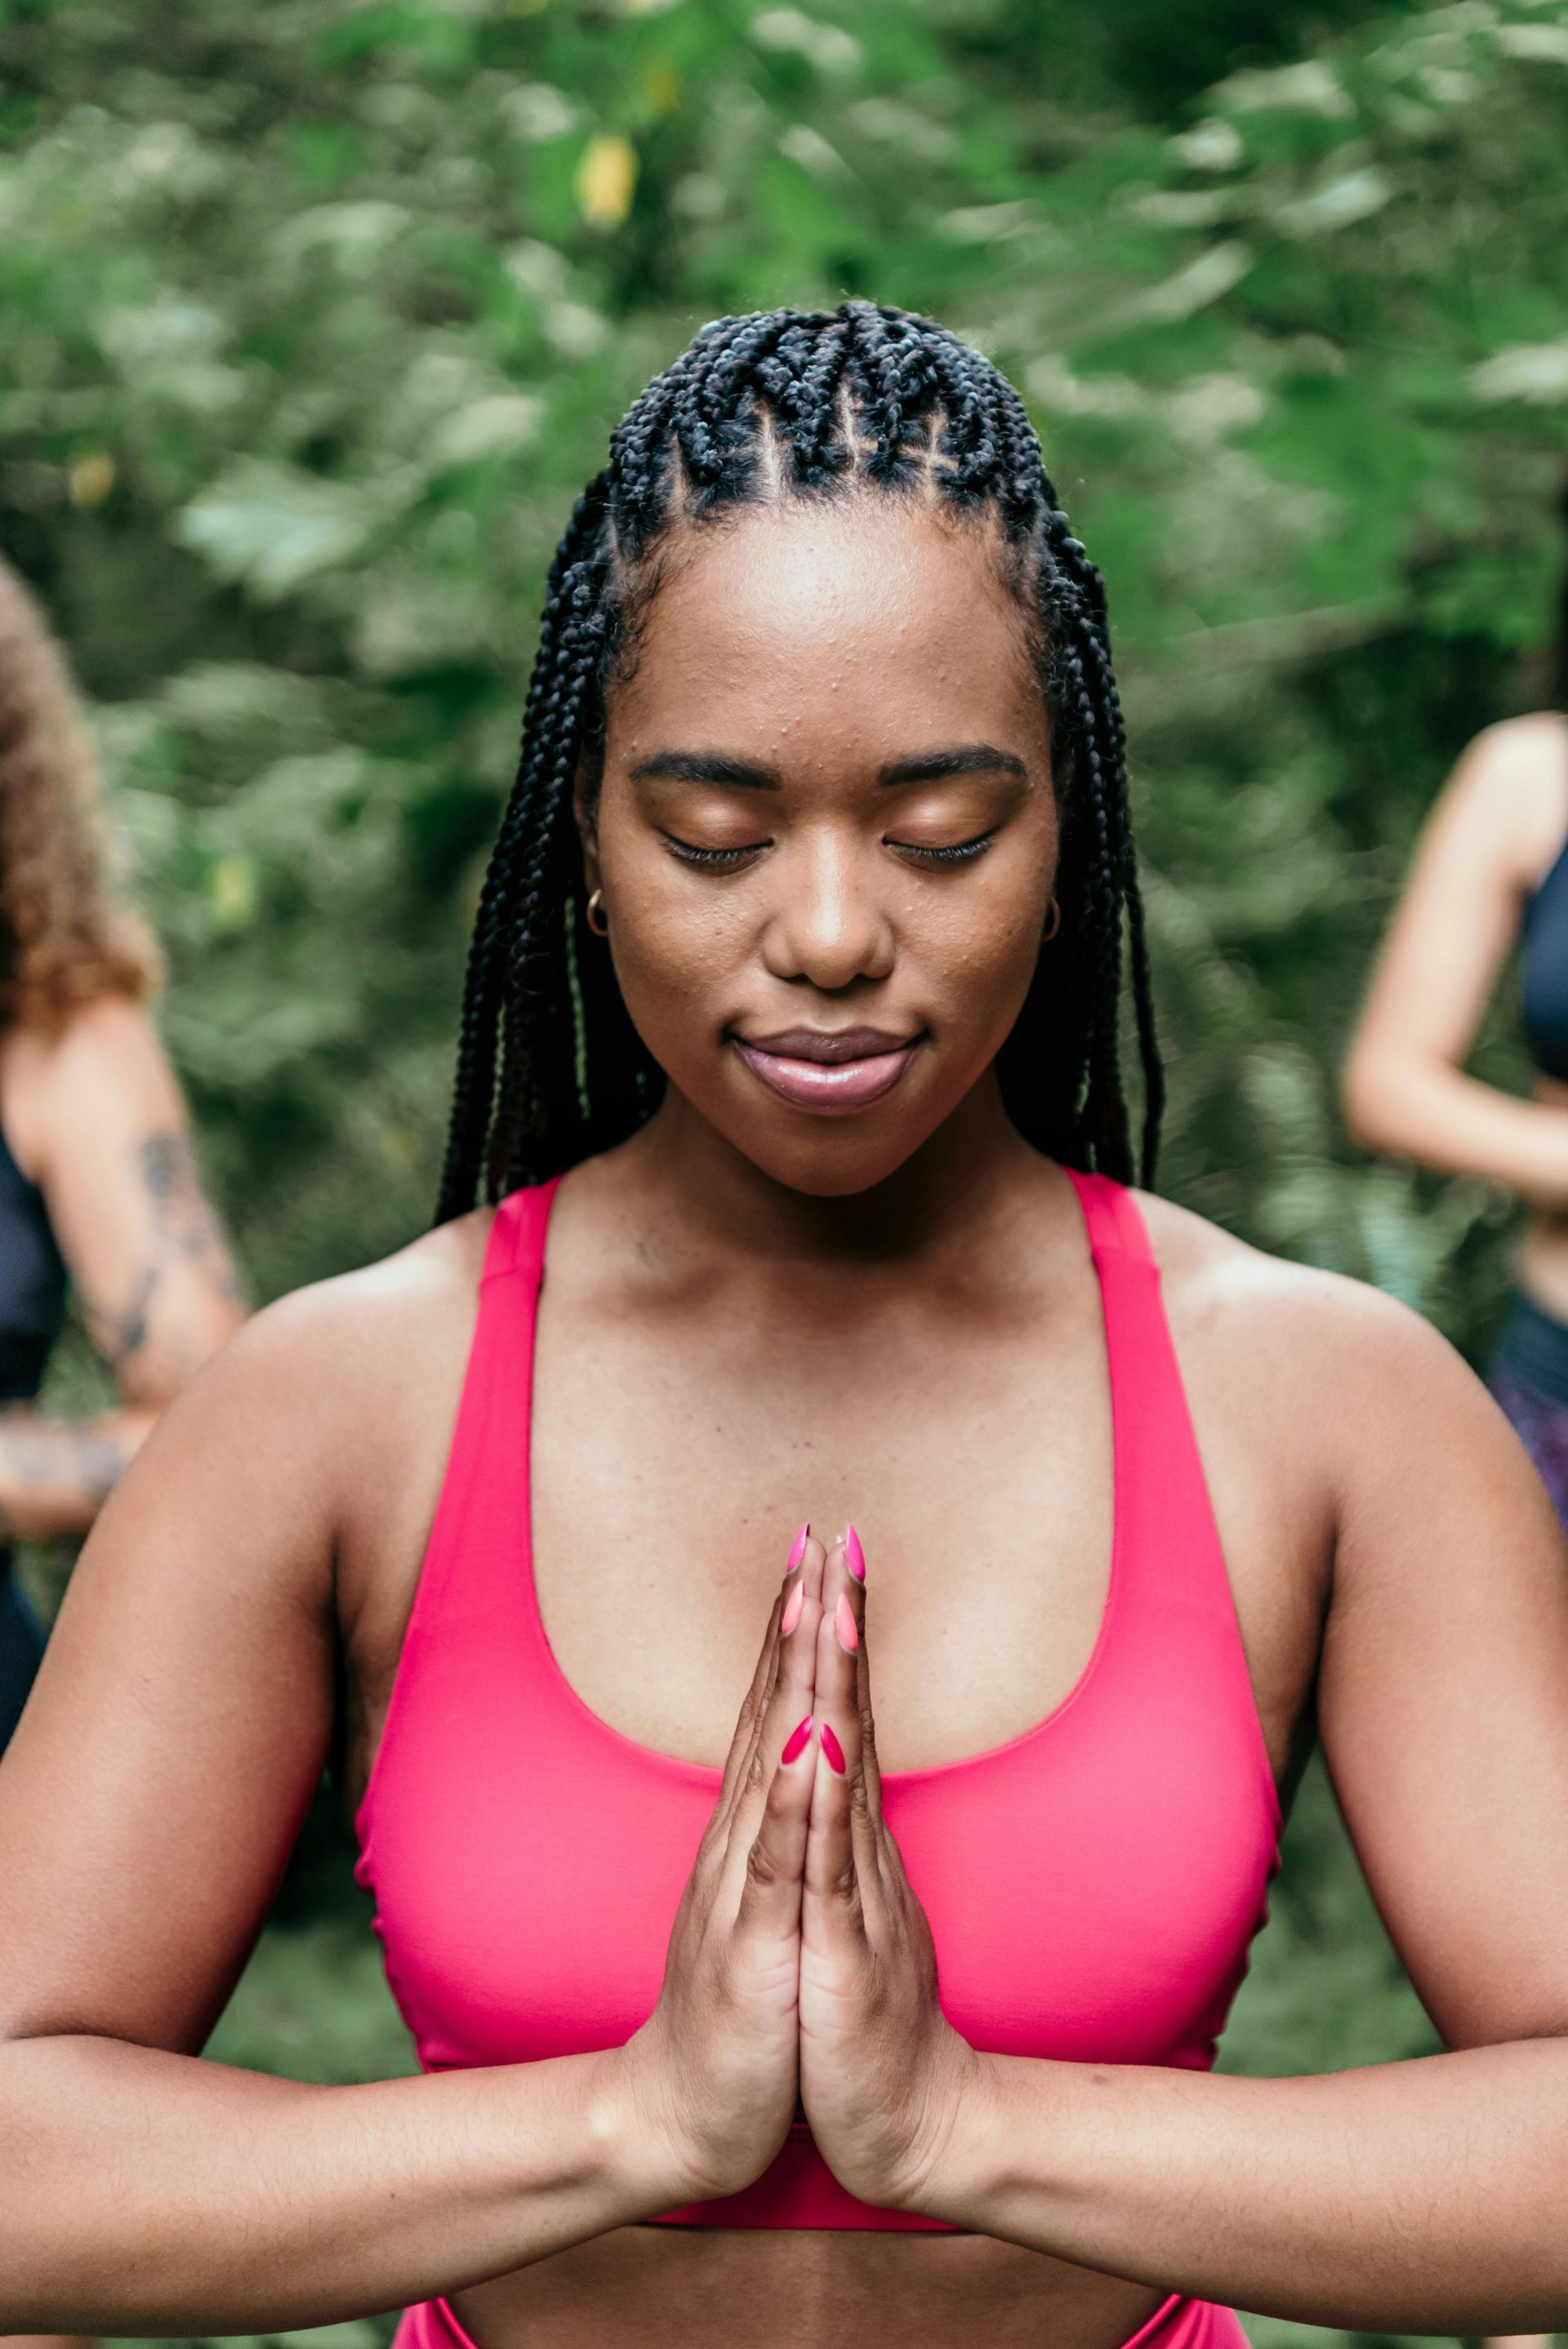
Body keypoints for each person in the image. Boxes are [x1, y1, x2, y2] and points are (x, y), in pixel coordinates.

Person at [2, 303, 1567, 2349]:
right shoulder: (341, 1402)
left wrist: (969, 2130)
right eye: (714, 835)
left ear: (1071, 822)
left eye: (942, 833)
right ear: (580, 838)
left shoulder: (1323, 1402)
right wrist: (631, 2120)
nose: (830, 935)